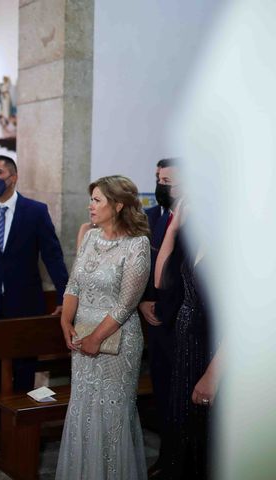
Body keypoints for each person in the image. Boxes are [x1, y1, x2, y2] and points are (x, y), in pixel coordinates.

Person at [0, 154, 69, 429]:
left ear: (13, 177)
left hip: (24, 303)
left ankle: (22, 430)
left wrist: (63, 297)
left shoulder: (35, 212)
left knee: (24, 369)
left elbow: (53, 257)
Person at [57, 175, 151, 479]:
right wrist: (65, 321)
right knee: (83, 409)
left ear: (118, 204)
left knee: (111, 414)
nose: (91, 206)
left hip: (117, 342)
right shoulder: (89, 237)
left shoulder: (137, 244)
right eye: (91, 199)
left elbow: (126, 304)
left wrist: (96, 338)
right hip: (82, 338)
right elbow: (74, 283)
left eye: (97, 200)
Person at [154, 202, 221, 479]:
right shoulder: (195, 240)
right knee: (183, 429)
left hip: (211, 351)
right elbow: (160, 281)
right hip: (185, 348)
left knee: (206, 434)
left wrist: (212, 375)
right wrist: (173, 229)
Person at [138, 158, 181, 478]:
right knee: (163, 392)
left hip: (185, 318)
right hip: (154, 320)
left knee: (186, 395)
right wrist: (142, 301)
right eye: (158, 178)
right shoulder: (148, 218)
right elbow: (139, 267)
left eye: (167, 180)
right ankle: (167, 456)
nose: (160, 185)